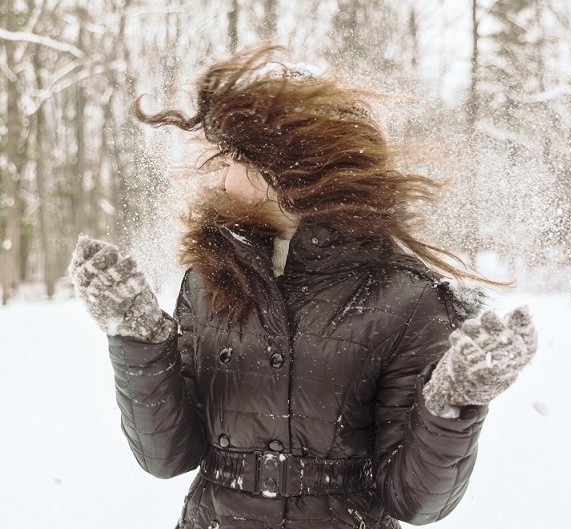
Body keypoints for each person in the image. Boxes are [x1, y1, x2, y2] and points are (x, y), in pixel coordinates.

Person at [68, 45, 537, 529]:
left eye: (234, 160)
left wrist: (452, 401)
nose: (223, 181)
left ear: (287, 166)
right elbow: (166, 456)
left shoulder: (406, 298)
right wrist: (136, 336)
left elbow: (416, 502)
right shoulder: (210, 281)